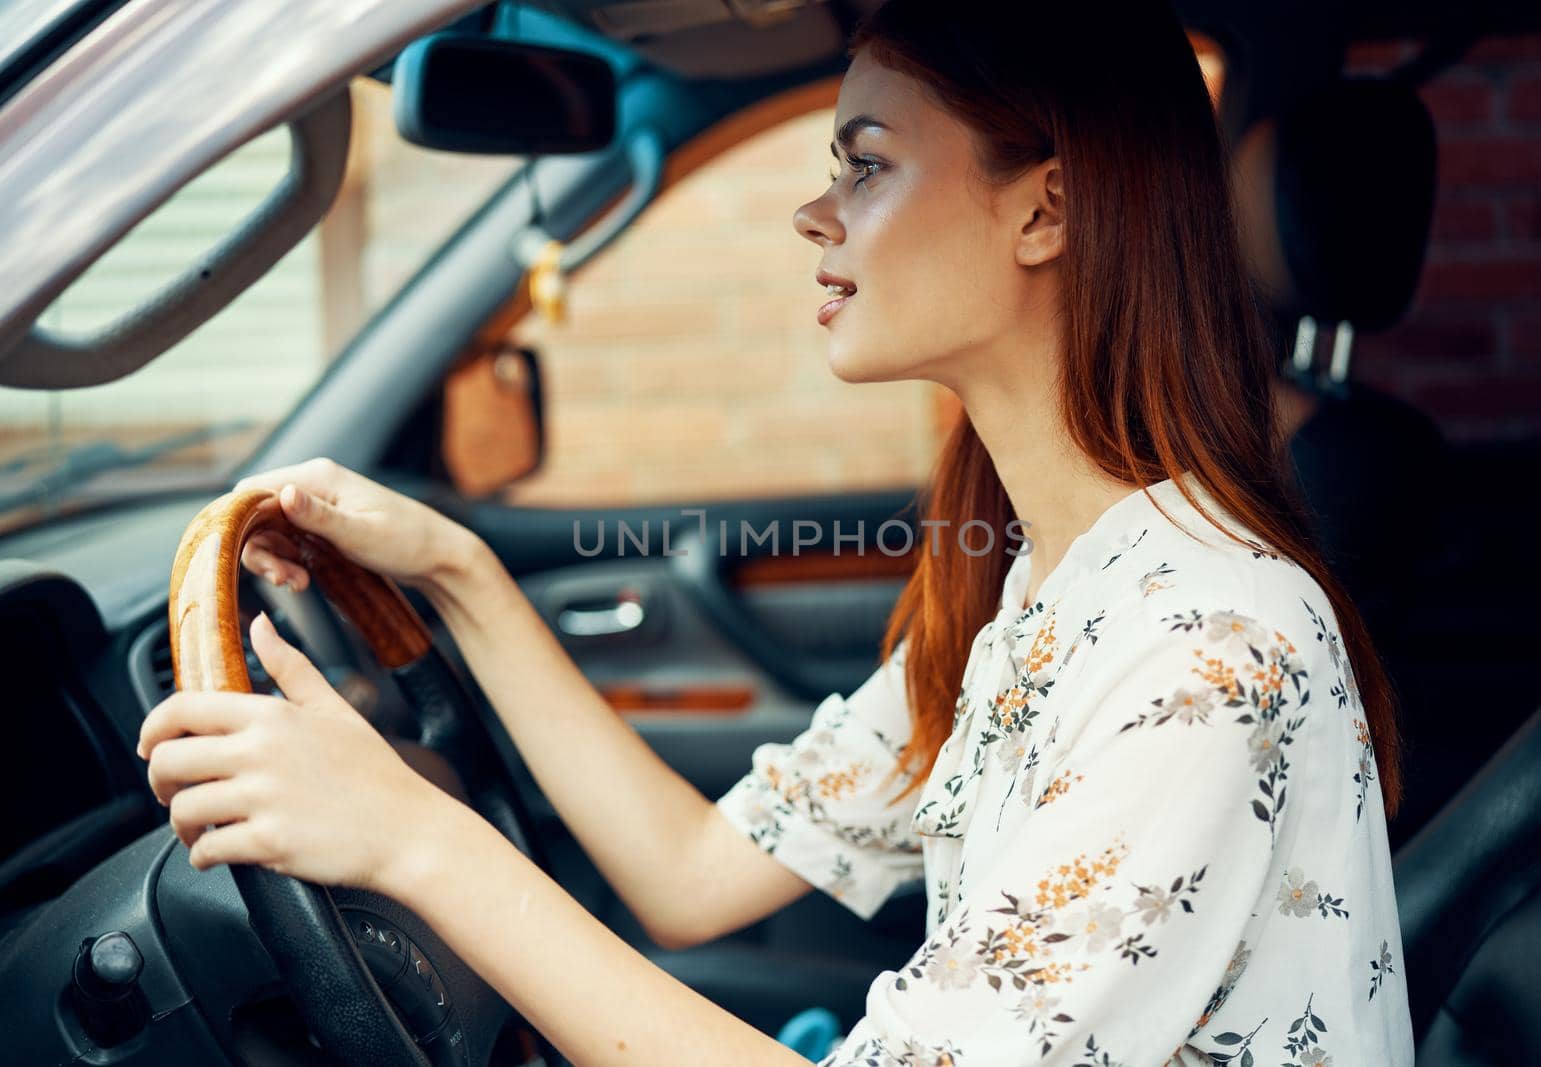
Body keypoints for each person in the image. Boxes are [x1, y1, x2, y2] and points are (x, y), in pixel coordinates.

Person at [136, 1, 1414, 1063]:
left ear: (1045, 211)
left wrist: (407, 833)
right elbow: (691, 872)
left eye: (865, 162)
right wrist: (459, 573)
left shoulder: (1203, 643)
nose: (816, 215)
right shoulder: (1042, 586)